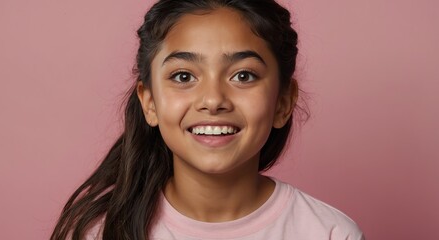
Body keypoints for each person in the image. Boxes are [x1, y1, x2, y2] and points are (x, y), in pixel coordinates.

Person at [51, 0, 364, 239]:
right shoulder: (99, 232)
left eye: (243, 75)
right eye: (184, 76)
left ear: (283, 102)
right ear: (149, 102)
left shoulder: (329, 233)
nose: (213, 100)